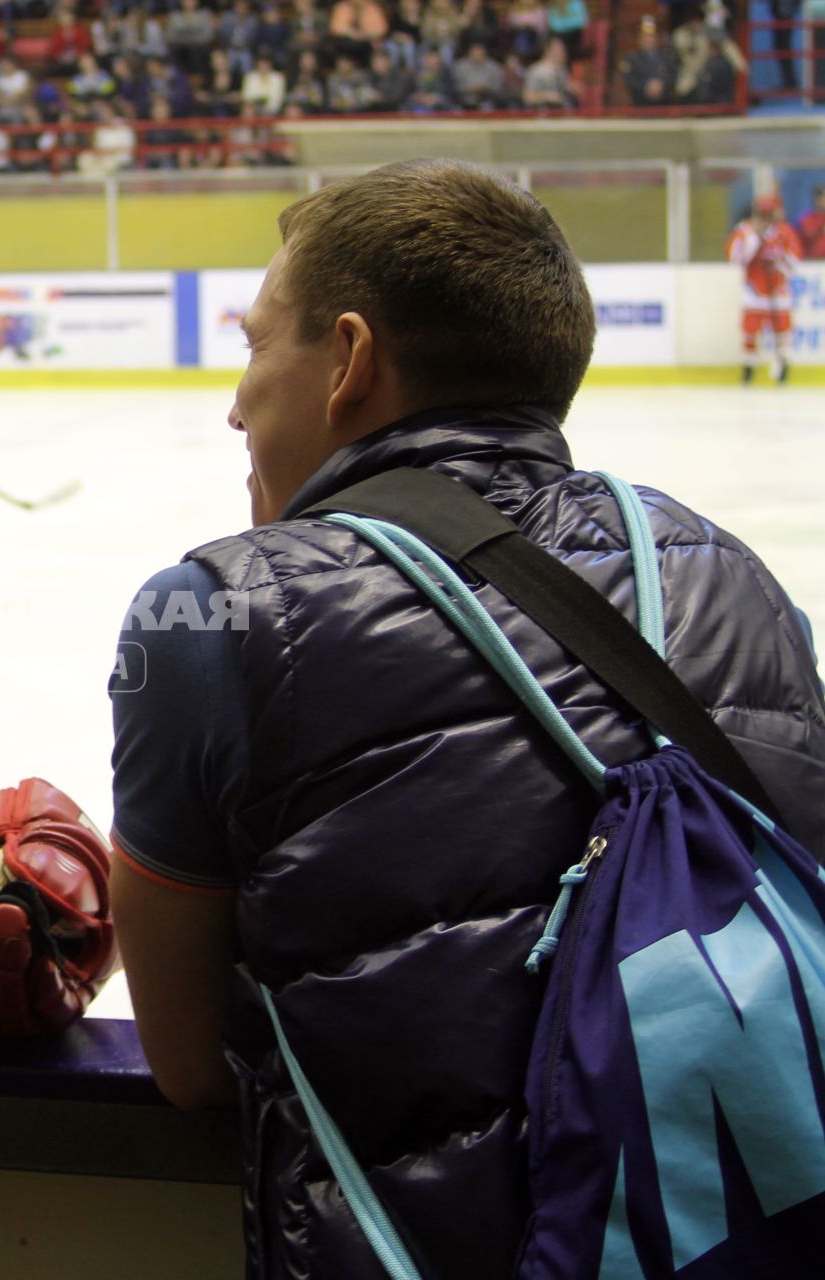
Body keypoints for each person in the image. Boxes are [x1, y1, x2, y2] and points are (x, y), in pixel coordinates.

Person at [107, 159, 825, 1279]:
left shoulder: (214, 607)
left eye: (256, 347)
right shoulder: (730, 570)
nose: (236, 401)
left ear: (348, 360)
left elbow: (190, 1060)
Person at [727, 191, 803, 383]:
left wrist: (780, 258)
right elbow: (735, 259)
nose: (767, 219)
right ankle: (748, 371)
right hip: (753, 292)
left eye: (770, 214)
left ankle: (782, 367)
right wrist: (753, 240)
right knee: (750, 333)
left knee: (783, 334)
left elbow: (795, 264)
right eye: (763, 214)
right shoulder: (744, 231)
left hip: (778, 292)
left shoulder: (785, 232)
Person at [799, 183, 825, 259]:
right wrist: (819, 231)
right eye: (819, 197)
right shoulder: (806, 218)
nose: (822, 200)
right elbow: (805, 236)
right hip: (813, 261)